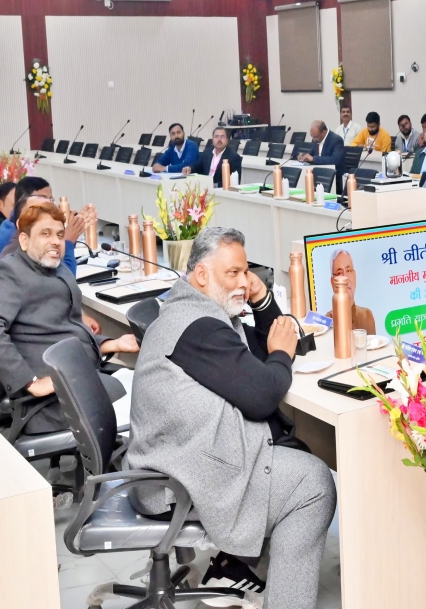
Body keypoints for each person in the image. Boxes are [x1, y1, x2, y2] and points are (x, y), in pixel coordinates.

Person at [125, 227, 335, 609]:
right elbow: (262, 393)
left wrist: (262, 300)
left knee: (297, 454)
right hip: (174, 477)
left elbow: (266, 346)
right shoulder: (198, 327)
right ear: (202, 275)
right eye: (233, 274)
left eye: (245, 271)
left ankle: (238, 564)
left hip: (183, 456)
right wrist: (282, 356)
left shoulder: (204, 311)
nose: (243, 283)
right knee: (313, 483)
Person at [0, 201, 138, 434]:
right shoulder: (9, 272)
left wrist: (112, 344)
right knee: (148, 403)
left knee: (146, 386)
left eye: (59, 234)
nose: (56, 241)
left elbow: (63, 327)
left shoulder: (54, 268)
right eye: (45, 234)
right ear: (24, 240)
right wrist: (30, 382)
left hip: (79, 379)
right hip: (53, 402)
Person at [0, 177, 84, 277]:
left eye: (51, 199)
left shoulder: (12, 222)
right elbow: (65, 281)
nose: (48, 205)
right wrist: (68, 243)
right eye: (42, 199)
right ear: (23, 202)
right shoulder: (16, 233)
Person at [324, 249, 376, 334]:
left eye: (348, 271)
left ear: (355, 276)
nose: (346, 278)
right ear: (332, 282)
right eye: (340, 273)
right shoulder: (328, 322)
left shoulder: (367, 316)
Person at [297, 120, 344, 193]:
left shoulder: (336, 140)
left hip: (333, 179)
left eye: (315, 137)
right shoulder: (316, 138)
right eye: (312, 136)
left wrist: (313, 159)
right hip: (318, 177)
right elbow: (311, 154)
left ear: (323, 132)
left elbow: (335, 160)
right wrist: (304, 156)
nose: (313, 139)